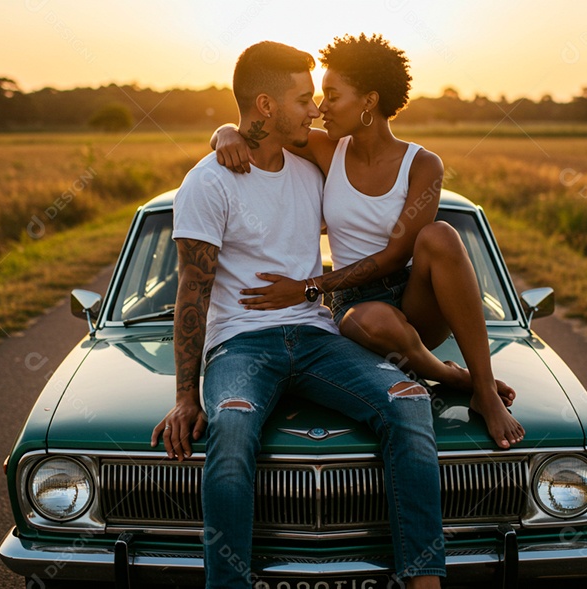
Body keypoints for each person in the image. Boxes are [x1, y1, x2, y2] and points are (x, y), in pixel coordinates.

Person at [151, 41, 445, 589]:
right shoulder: (207, 183)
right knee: (231, 425)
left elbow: (375, 212)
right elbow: (193, 293)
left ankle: (423, 578)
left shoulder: (314, 170)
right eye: (305, 99)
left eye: (319, 98)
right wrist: (186, 395)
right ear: (265, 104)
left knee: (409, 401)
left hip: (318, 335)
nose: (315, 110)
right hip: (240, 344)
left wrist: (227, 130)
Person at [211, 34, 525, 449]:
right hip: (356, 310)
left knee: (440, 235)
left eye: (332, 96)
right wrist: (225, 132)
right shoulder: (326, 150)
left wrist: (309, 288)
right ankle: (450, 376)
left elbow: (397, 256)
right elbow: (263, 128)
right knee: (373, 318)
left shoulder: (423, 164)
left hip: (412, 299)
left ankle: (484, 390)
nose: (320, 108)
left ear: (369, 102)